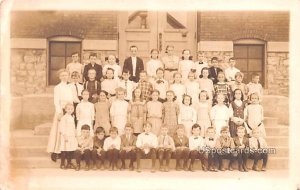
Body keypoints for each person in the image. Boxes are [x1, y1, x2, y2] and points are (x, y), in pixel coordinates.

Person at [47, 69, 73, 162]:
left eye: (66, 75)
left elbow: (72, 100)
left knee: (67, 131)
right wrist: (59, 112)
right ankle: (55, 151)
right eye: (62, 75)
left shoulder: (70, 87)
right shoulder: (57, 87)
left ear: (68, 76)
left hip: (69, 110)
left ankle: (64, 151)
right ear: (59, 77)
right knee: (59, 130)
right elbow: (56, 101)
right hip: (61, 110)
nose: (64, 77)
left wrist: (71, 111)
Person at [58, 103, 77, 169]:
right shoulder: (64, 117)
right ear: (65, 109)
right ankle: (62, 164)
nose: (70, 110)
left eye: (71, 109)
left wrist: (75, 134)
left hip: (71, 135)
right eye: (68, 109)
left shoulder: (72, 117)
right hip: (65, 136)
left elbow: (73, 127)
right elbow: (62, 127)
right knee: (64, 150)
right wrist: (64, 135)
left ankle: (69, 163)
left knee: (70, 150)